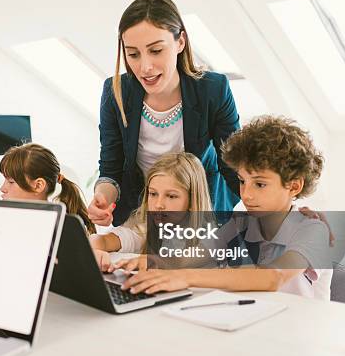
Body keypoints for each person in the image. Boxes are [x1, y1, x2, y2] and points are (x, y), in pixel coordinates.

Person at [120, 116, 333, 299]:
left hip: (300, 338)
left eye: (260, 184)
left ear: (294, 186)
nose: (246, 194)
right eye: (242, 181)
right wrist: (155, 262)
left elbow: (272, 277)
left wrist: (183, 276)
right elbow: (194, 255)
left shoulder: (313, 229)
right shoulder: (241, 222)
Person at [88, 0, 240, 228]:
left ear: (180, 42)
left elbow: (235, 166)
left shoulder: (213, 89)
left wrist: (278, 213)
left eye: (156, 50)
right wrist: (103, 198)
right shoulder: (114, 91)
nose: (145, 67)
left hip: (201, 214)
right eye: (133, 54)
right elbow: (111, 168)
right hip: (139, 215)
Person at [90, 152, 214, 271]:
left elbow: (191, 259)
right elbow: (102, 240)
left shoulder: (211, 235)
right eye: (153, 194)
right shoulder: (145, 228)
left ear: (192, 201)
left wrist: (154, 261)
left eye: (171, 196)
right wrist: (95, 251)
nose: (158, 204)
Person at [0, 143, 95, 234]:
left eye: (11, 182)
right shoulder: (9, 221)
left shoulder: (58, 229)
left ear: (38, 185)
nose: (2, 188)